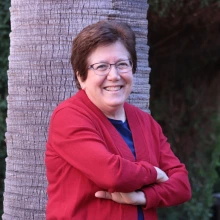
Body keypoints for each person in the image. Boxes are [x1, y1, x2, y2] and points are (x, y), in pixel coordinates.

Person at [45, 20, 191, 220]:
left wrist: (143, 196)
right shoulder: (69, 117)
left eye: (122, 64)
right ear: (81, 77)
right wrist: (155, 174)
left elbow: (182, 186)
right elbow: (112, 175)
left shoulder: (145, 122)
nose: (113, 76)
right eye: (101, 66)